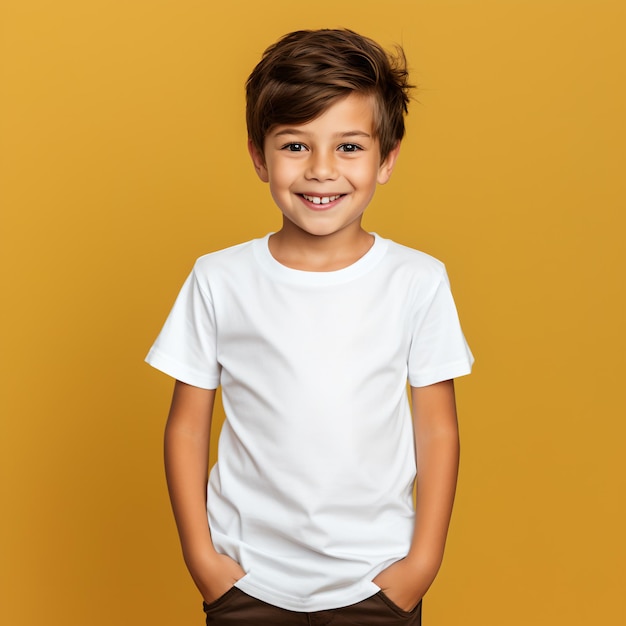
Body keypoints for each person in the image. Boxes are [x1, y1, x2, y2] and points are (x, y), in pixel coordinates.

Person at [146, 28, 474, 625]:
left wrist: (420, 565)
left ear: (387, 158)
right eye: (295, 146)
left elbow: (437, 431)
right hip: (247, 580)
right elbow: (187, 429)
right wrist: (205, 561)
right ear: (258, 155)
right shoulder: (219, 279)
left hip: (377, 579)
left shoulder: (417, 281)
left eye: (349, 147)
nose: (322, 171)